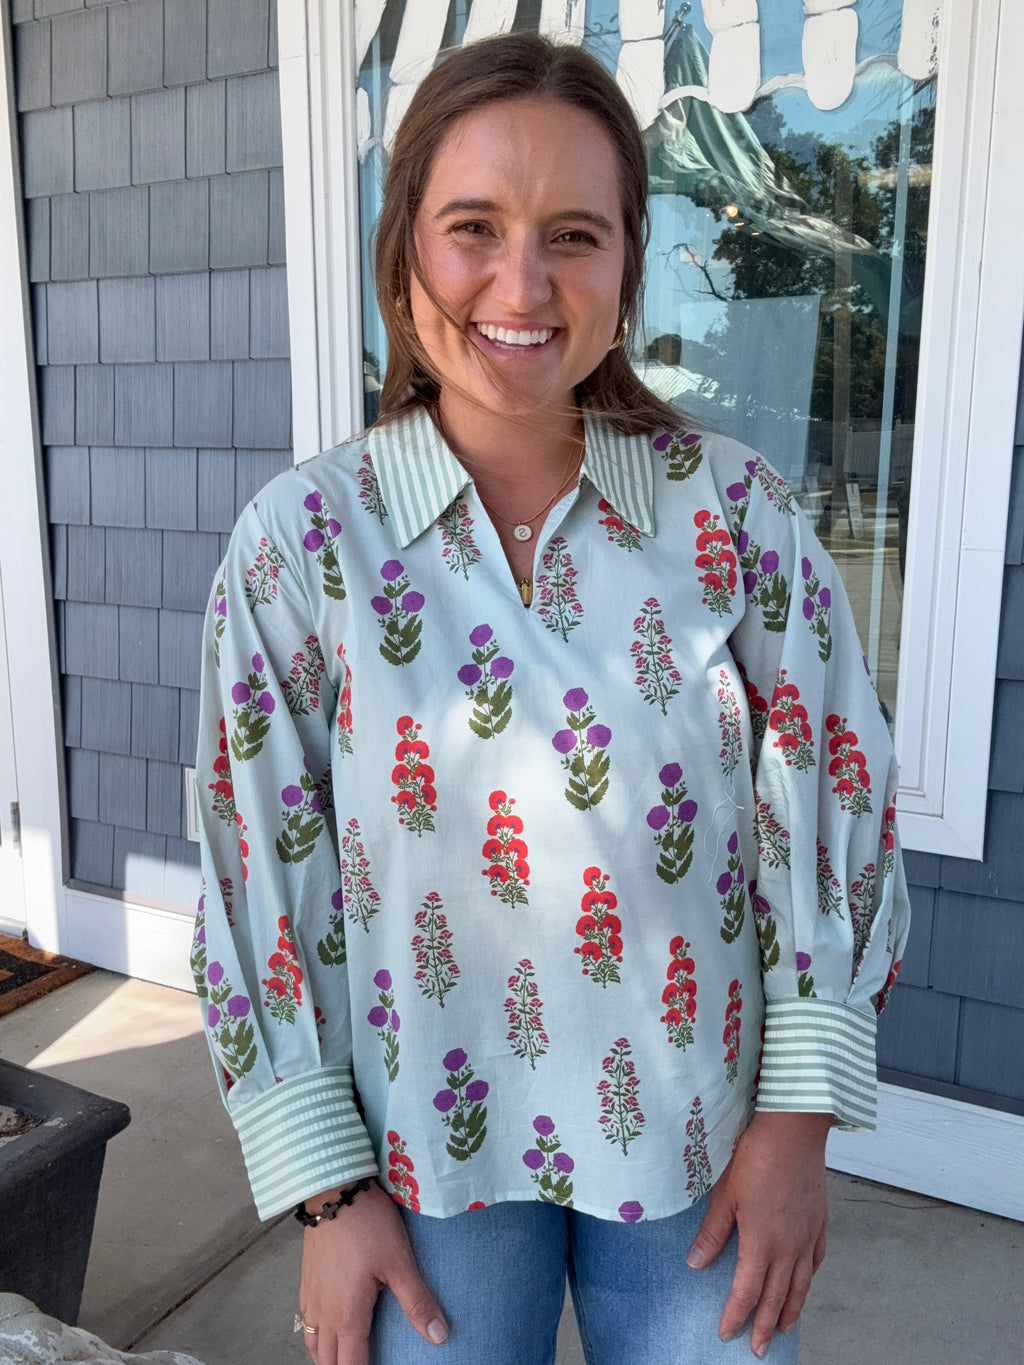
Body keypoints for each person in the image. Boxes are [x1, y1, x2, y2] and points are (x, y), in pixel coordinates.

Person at [192, 32, 909, 1365]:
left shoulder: (736, 518)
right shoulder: (304, 548)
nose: (522, 283)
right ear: (403, 247)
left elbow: (827, 812)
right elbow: (257, 880)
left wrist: (800, 1120)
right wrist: (328, 1196)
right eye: (474, 226)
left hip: (699, 1142)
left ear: (628, 262)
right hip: (423, 1159)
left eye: (573, 234)